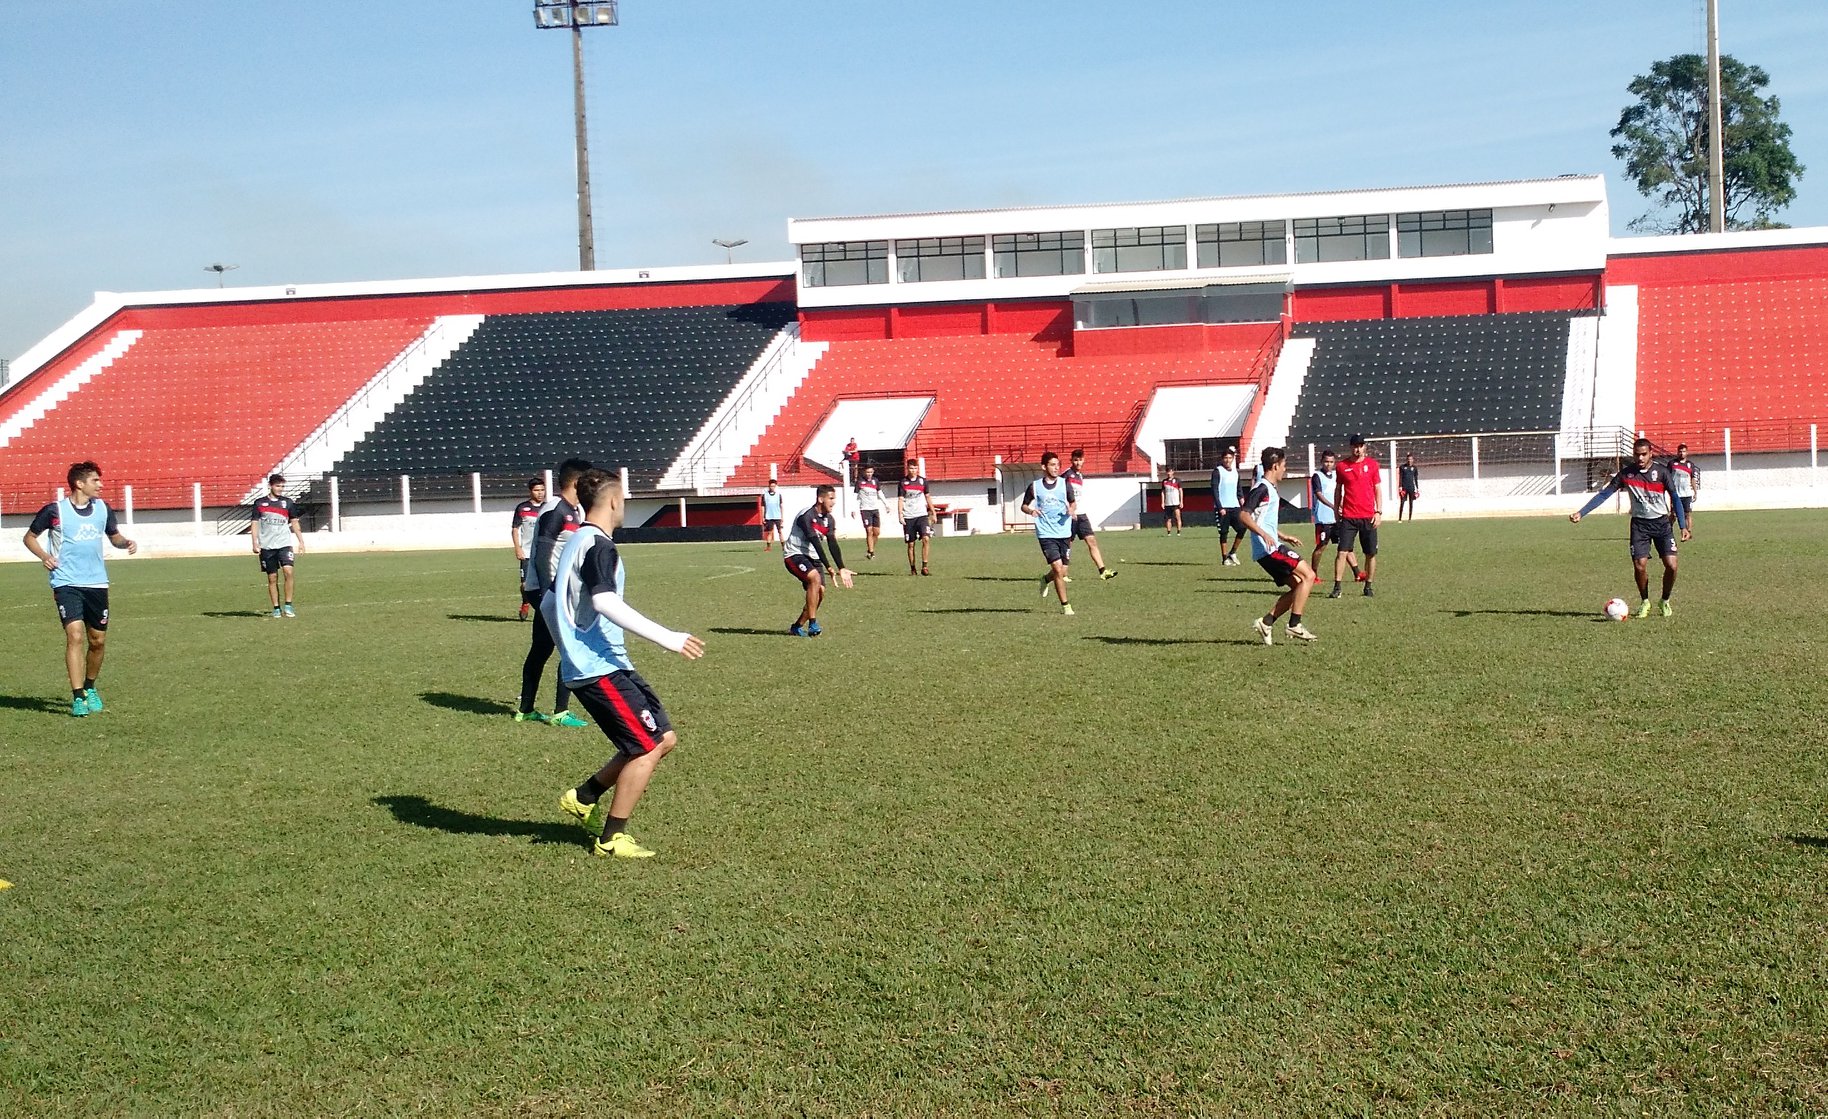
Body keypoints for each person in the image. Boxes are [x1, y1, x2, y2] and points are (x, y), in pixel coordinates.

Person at [549, 468, 706, 858]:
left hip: (607, 663)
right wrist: (669, 638)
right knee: (646, 747)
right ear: (615, 501)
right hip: (596, 668)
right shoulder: (600, 546)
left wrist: (567, 643)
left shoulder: (576, 539)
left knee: (663, 738)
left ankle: (584, 797)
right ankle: (611, 839)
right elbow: (603, 601)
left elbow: (552, 602)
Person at [22, 461, 138, 717]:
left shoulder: (103, 509)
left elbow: (114, 536)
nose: (101, 484)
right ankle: (77, 697)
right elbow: (29, 537)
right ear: (79, 483)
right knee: (74, 635)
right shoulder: (55, 511)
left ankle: (90, 687)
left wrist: (126, 542)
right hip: (66, 582)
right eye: (96, 480)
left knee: (97, 641)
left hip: (96, 583)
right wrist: (44, 556)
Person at [1570, 437, 1692, 617]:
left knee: (1672, 566)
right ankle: (1645, 601)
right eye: (1637, 454)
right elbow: (1605, 494)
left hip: (1661, 523)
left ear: (1651, 453)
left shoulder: (1662, 472)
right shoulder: (1626, 474)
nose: (1640, 458)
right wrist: (1582, 512)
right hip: (1639, 525)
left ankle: (1664, 600)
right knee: (1640, 565)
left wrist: (1683, 525)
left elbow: (1674, 497)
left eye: (1644, 454)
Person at [518, 457, 591, 727]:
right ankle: (560, 713)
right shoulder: (556, 510)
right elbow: (542, 554)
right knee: (569, 647)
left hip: (553, 590)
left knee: (541, 648)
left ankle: (526, 709)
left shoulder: (575, 511)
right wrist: (552, 593)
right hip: (548, 590)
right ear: (576, 482)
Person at [1237, 447, 1319, 644]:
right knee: (1309, 575)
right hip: (1270, 550)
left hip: (1268, 548)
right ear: (1275, 466)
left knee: (1298, 587)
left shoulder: (1269, 489)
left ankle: (1266, 622)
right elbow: (1244, 515)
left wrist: (1282, 535)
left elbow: (1261, 518)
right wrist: (1264, 534)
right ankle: (1294, 625)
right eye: (1283, 466)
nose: (1285, 469)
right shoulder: (1262, 488)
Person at [783, 484, 853, 636]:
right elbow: (814, 540)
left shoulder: (829, 520)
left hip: (813, 558)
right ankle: (813, 624)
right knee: (814, 579)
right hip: (795, 555)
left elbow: (832, 543)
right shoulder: (806, 516)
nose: (834, 502)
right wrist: (828, 566)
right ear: (820, 499)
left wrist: (841, 567)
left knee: (819, 593)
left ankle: (797, 627)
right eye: (831, 498)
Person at [1022, 451, 1077, 615]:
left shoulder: (1064, 484)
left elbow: (1073, 503)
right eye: (1053, 465)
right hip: (1046, 533)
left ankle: (1045, 579)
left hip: (1064, 531)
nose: (1056, 468)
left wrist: (1071, 510)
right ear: (1044, 466)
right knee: (1058, 569)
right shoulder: (1035, 486)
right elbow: (1024, 505)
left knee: (1062, 571)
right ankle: (1066, 606)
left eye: (1058, 465)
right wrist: (1031, 511)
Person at [1332, 433, 1381, 598]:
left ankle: (1368, 586)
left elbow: (1377, 489)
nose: (1357, 449)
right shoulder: (1342, 466)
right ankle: (1337, 587)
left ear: (1364, 446)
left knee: (1370, 553)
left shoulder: (1373, 465)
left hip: (1368, 516)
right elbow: (1338, 490)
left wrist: (1378, 511)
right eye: (1355, 446)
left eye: (1360, 446)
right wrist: (1336, 510)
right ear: (1350, 447)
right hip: (1349, 516)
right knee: (1342, 552)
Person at [250, 474, 304, 618]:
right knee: (272, 578)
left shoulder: (288, 503)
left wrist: (301, 541)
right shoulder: (259, 503)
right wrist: (254, 542)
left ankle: (288, 605)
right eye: (277, 486)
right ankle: (276, 608)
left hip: (284, 544)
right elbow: (254, 523)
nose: (280, 489)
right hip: (267, 546)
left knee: (288, 572)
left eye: (282, 486)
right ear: (270, 486)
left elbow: (294, 522)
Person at [1063, 449, 1117, 579]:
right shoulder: (1065, 476)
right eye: (1075, 460)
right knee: (1067, 545)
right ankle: (1063, 574)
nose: (1078, 462)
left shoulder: (1080, 476)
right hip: (1069, 516)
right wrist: (1068, 509)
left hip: (1081, 514)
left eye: (1080, 459)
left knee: (1092, 540)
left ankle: (1102, 571)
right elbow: (1060, 494)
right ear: (1071, 460)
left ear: (1083, 460)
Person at [511, 476, 547, 621]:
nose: (540, 493)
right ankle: (526, 602)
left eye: (542, 490)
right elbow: (515, 529)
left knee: (545, 583)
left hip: (544, 552)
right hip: (526, 552)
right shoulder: (522, 508)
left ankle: (542, 610)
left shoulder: (548, 508)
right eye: (537, 490)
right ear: (530, 491)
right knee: (525, 584)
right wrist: (517, 547)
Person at [898, 458, 935, 575]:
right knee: (911, 544)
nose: (913, 470)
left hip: (922, 515)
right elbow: (900, 499)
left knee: (926, 539)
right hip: (909, 516)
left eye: (915, 468)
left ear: (917, 469)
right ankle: (913, 568)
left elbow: (928, 497)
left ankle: (925, 566)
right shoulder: (903, 482)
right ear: (907, 468)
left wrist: (933, 512)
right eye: (911, 468)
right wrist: (900, 514)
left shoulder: (923, 481)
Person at [1309, 451, 1340, 582]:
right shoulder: (1317, 476)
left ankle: (1357, 573)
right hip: (1323, 518)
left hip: (1336, 518)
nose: (1329, 464)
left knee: (1345, 546)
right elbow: (1319, 494)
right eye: (1326, 461)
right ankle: (1313, 574)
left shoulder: (1336, 476)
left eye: (1331, 462)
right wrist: (1333, 506)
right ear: (1322, 461)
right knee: (1321, 546)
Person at [1211, 448, 1244, 566]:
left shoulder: (1236, 473)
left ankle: (1233, 552)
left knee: (1242, 528)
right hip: (1223, 507)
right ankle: (1224, 558)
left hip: (1235, 506)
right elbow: (1214, 490)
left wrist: (1243, 505)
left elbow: (1239, 491)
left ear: (1233, 459)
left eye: (1230, 458)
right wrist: (1220, 507)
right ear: (1222, 459)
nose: (1228, 460)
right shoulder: (1217, 471)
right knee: (1224, 532)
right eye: (1226, 458)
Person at [856, 464, 884, 559]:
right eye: (868, 472)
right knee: (869, 530)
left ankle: (870, 550)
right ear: (864, 472)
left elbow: (880, 493)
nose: (869, 474)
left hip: (875, 509)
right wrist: (853, 509)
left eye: (871, 472)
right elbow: (855, 496)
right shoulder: (860, 482)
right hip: (865, 509)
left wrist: (886, 504)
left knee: (876, 532)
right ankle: (872, 553)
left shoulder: (875, 481)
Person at [1668, 443, 1699, 526]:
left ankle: (1688, 532)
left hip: (1687, 494)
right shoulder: (1672, 463)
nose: (1682, 453)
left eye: (1684, 451)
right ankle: (1667, 529)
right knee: (1673, 514)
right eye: (1680, 451)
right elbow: (1667, 478)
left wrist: (1695, 492)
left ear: (1687, 452)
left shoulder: (1690, 465)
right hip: (1676, 494)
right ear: (1677, 452)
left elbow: (1692, 478)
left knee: (1687, 514)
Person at [760, 480, 784, 551]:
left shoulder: (778, 495)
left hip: (777, 516)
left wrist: (782, 517)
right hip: (769, 516)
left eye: (774, 486)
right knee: (770, 532)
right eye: (771, 486)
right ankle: (768, 547)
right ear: (769, 486)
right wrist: (763, 517)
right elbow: (763, 507)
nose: (772, 487)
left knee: (780, 531)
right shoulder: (765, 496)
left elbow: (781, 506)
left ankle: (783, 546)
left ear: (775, 486)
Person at [1397, 453, 1420, 522]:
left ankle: (1409, 518)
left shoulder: (1414, 468)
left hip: (1411, 488)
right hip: (1404, 487)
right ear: (1406, 460)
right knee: (1402, 502)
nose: (1409, 460)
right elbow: (1400, 477)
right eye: (1408, 459)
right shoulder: (1402, 467)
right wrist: (1400, 486)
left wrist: (1417, 488)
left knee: (1411, 503)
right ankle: (1400, 518)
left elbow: (1415, 478)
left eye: (1411, 459)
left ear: (1413, 460)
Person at [1161, 467, 1183, 535]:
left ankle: (1178, 532)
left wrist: (1181, 501)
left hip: (1176, 502)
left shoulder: (1177, 480)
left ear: (1173, 472)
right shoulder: (1164, 481)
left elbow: (1180, 491)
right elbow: (1163, 492)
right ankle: (1169, 533)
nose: (1169, 473)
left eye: (1170, 472)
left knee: (1177, 517)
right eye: (1167, 472)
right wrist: (1162, 502)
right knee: (1168, 519)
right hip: (1168, 503)